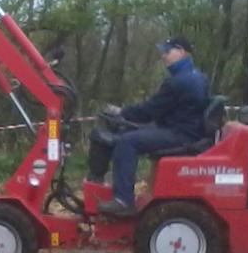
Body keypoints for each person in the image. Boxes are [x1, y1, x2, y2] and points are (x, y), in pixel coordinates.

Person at [90, 36, 209, 217]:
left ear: (182, 52)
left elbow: (149, 111)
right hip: (186, 129)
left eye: (167, 51)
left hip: (180, 134)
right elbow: (162, 111)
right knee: (128, 132)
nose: (163, 56)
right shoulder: (197, 76)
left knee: (127, 142)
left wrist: (122, 113)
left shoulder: (178, 82)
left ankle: (123, 201)